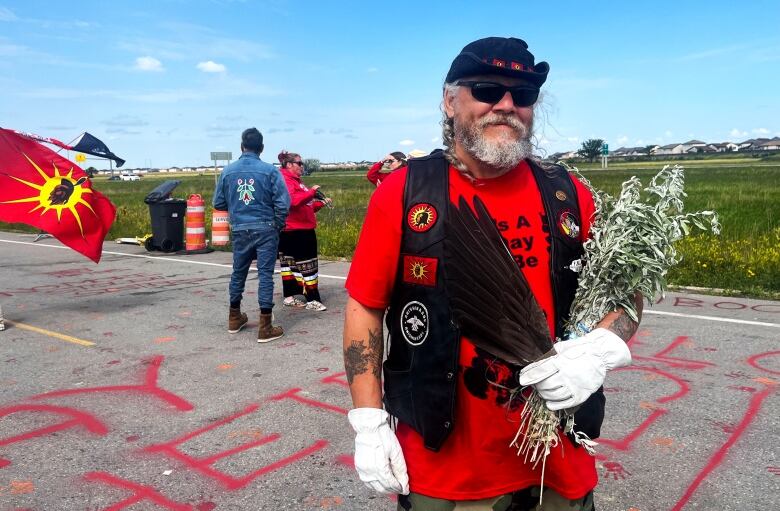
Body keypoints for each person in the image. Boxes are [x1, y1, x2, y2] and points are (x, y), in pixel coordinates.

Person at [343, 37, 641, 511]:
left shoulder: (567, 193)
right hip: (447, 470)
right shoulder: (405, 192)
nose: (506, 105)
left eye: (522, 95)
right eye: (486, 89)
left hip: (558, 461)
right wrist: (368, 419)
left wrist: (599, 351)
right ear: (449, 99)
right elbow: (365, 306)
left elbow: (625, 290)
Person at [213, 128, 289, 342]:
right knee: (265, 274)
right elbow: (283, 203)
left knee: (239, 272)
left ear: (241, 147)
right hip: (266, 228)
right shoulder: (270, 171)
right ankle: (265, 325)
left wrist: (237, 209)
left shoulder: (228, 172)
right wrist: (278, 224)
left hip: (240, 228)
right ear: (262, 148)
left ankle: (234, 316)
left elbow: (218, 202)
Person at [277, 150, 332, 311]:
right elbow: (293, 202)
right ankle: (312, 299)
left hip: (300, 228)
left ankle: (290, 296)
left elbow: (305, 206)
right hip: (295, 230)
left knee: (292, 265)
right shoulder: (285, 180)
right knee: (306, 266)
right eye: (299, 163)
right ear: (289, 165)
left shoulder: (297, 181)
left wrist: (320, 203)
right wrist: (312, 192)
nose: (302, 166)